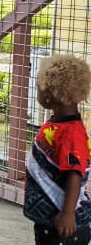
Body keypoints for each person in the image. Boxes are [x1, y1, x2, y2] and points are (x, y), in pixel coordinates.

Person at [25, 55, 91, 245]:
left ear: (48, 95)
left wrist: (68, 213)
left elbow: (74, 174)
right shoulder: (60, 125)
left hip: (63, 222)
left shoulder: (70, 133)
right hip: (50, 216)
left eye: (37, 88)